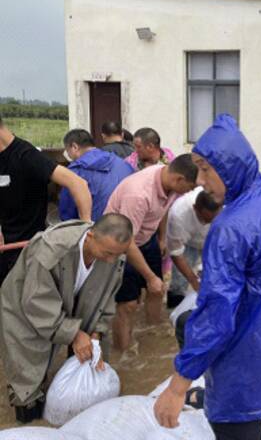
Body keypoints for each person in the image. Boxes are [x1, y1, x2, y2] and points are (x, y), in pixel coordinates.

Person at [153, 114, 261, 440]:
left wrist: (178, 385)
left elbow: (216, 315)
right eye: (197, 169)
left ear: (233, 164)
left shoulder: (231, 226)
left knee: (235, 426)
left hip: (243, 355)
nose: (201, 180)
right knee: (251, 424)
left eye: (208, 168)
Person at [0, 214, 133, 423]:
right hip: (26, 307)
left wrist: (95, 332)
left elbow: (106, 299)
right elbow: (36, 301)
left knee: (91, 356)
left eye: (117, 255)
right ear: (89, 237)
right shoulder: (51, 249)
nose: (111, 260)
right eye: (107, 253)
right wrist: (73, 333)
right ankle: (29, 419)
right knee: (28, 372)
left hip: (73, 300)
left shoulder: (114, 256)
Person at [104, 154, 197, 350]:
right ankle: (124, 351)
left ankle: (153, 333)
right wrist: (149, 275)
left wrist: (161, 238)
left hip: (146, 239)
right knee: (127, 304)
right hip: (119, 245)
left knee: (157, 289)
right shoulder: (138, 194)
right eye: (190, 188)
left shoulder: (168, 181)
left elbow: (162, 209)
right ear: (179, 179)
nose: (189, 192)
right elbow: (125, 240)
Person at [0, 115, 92, 286]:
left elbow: (78, 183)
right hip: (4, 249)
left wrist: (85, 228)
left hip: (26, 251)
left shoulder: (27, 156)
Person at [60, 129, 134, 222]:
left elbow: (67, 214)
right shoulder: (122, 162)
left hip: (98, 230)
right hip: (128, 225)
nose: (68, 155)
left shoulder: (75, 172)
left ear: (74, 147)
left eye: (67, 151)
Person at [166, 187, 222, 308]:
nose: (207, 223)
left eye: (212, 220)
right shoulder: (178, 214)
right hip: (189, 242)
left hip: (214, 240)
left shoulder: (227, 205)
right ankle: (175, 312)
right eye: (204, 219)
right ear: (195, 208)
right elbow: (176, 253)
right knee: (179, 283)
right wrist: (193, 280)